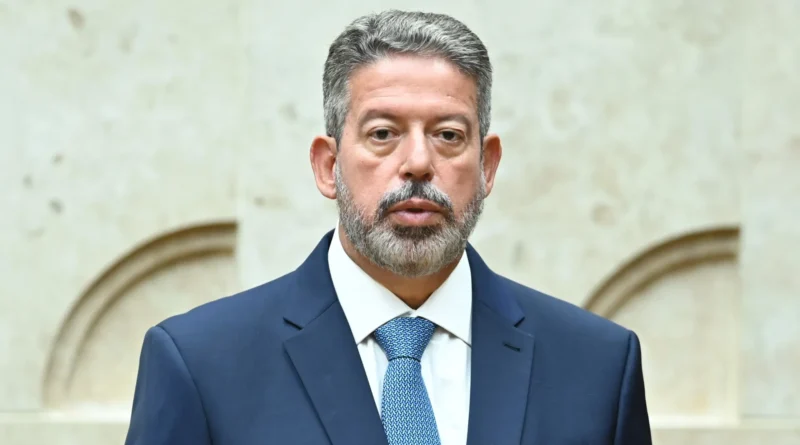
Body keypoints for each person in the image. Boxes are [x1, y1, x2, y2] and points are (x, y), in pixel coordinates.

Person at [124, 9, 652, 445]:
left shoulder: (598, 367)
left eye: (448, 135)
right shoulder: (201, 364)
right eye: (383, 133)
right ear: (328, 166)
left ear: (487, 166)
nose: (418, 162)